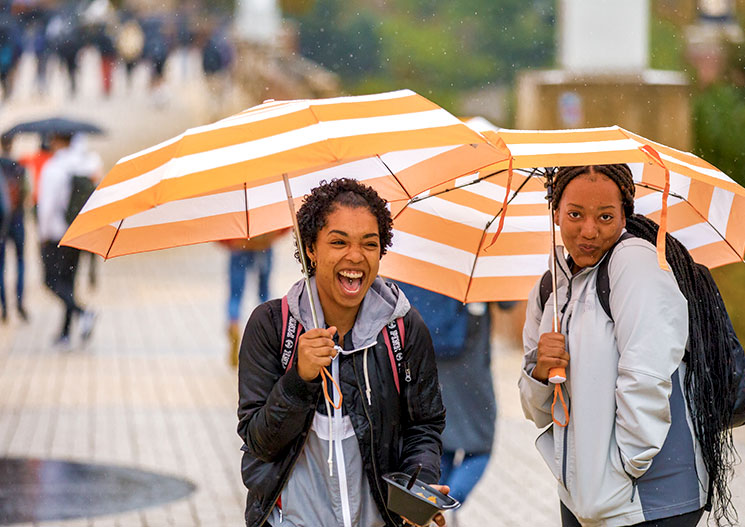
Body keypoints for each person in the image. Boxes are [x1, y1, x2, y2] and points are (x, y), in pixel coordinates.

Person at [519, 164, 732, 526]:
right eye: (574, 214)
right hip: (583, 499)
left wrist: (624, 466)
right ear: (555, 212)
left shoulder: (634, 263)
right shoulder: (551, 288)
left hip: (649, 498)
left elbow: (645, 375)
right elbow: (536, 411)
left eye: (605, 216)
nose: (589, 230)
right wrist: (540, 372)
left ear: (624, 216)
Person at [237, 178, 448, 527]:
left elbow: (423, 426)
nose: (355, 256)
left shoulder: (404, 328)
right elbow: (260, 442)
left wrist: (418, 484)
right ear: (311, 249)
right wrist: (298, 380)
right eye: (338, 242)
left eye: (369, 243)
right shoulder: (271, 327)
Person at [395, 283, 496, 521]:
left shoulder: (418, 254)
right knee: (481, 446)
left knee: (442, 444)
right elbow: (506, 301)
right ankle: (445, 507)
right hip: (470, 362)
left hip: (423, 354)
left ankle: (430, 502)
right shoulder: (474, 258)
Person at [37, 133, 95, 349]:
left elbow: (47, 205)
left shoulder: (53, 168)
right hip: (77, 233)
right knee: (68, 283)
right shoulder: (84, 164)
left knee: (50, 281)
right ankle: (65, 333)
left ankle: (83, 312)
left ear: (58, 141)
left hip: (55, 234)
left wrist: (42, 234)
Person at [222, 231, 280, 368]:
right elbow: (285, 223)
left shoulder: (232, 209)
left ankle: (234, 324)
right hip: (264, 246)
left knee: (235, 295)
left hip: (238, 245)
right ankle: (265, 331)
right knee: (264, 295)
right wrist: (270, 238)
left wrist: (232, 242)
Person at [0, 138, 29, 322]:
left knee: (1, 266)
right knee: (20, 262)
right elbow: (26, 193)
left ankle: (4, 307)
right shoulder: (19, 167)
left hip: (1, 223)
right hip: (17, 220)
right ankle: (19, 302)